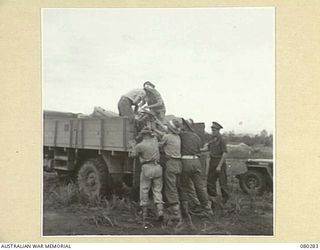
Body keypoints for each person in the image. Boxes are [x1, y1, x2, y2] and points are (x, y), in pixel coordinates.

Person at [179, 118, 213, 216]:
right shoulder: (197, 137)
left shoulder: (182, 135)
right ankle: (207, 208)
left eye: (183, 125)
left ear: (186, 126)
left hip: (186, 162)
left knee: (184, 186)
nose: (181, 126)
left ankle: (186, 210)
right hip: (196, 162)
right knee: (200, 187)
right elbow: (198, 150)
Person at [130, 127, 164, 224]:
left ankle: (144, 214)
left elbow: (133, 155)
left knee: (144, 189)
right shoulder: (155, 141)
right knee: (157, 190)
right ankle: (160, 211)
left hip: (147, 168)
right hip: (157, 167)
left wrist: (133, 146)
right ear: (150, 134)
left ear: (143, 135)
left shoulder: (140, 145)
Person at [158, 119, 182, 221]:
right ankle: (177, 208)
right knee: (175, 185)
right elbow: (165, 133)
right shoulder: (177, 137)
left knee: (170, 187)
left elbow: (159, 146)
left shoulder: (167, 137)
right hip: (178, 163)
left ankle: (175, 213)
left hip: (171, 163)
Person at [206, 121, 229, 204]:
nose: (213, 132)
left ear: (218, 130)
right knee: (210, 182)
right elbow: (207, 149)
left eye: (214, 130)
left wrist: (219, 166)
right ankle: (213, 200)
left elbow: (224, 153)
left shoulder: (222, 140)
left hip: (220, 162)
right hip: (212, 162)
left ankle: (225, 201)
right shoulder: (212, 140)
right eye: (212, 130)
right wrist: (196, 151)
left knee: (223, 183)